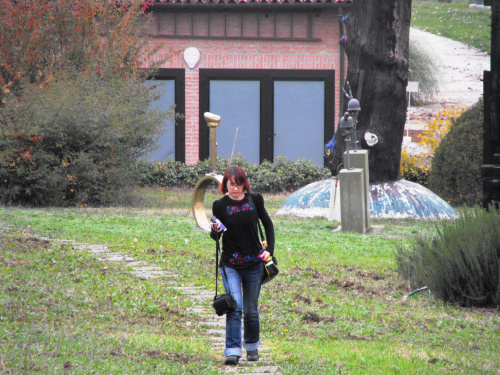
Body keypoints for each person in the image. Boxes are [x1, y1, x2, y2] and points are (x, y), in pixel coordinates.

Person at [210, 165, 275, 366]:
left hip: (255, 263)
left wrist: (269, 250)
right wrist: (214, 230)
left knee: (250, 309)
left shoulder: (255, 199)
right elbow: (216, 236)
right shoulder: (219, 205)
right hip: (230, 264)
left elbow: (268, 224)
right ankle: (232, 351)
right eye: (231, 185)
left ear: (243, 184)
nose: (235, 189)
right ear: (225, 185)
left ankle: (252, 347)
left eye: (238, 185)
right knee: (234, 307)